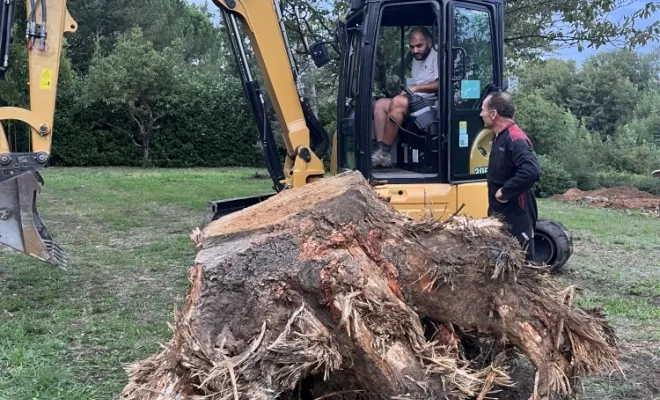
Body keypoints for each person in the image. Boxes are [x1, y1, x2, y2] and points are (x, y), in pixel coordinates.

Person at [480, 91, 540, 261]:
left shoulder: (515, 138)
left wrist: (505, 192)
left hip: (517, 214)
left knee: (522, 265)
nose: (480, 114)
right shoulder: (499, 136)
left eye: (483, 110)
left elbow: (531, 171)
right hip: (499, 212)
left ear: (493, 114)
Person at [372, 26, 439, 167]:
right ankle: (381, 151)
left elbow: (440, 83)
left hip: (431, 103)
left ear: (429, 41)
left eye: (419, 46)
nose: (415, 50)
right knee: (380, 104)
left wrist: (414, 88)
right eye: (412, 47)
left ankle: (384, 152)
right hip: (416, 99)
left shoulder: (437, 55)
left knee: (398, 102)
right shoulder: (417, 59)